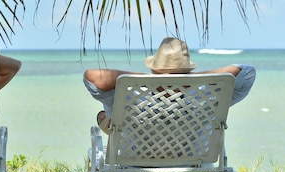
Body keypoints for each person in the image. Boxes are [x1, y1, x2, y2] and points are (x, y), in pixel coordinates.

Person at [83, 37, 256, 134]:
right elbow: (246, 72)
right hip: (194, 156)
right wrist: (190, 80)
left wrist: (146, 79)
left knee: (107, 114)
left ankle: (106, 119)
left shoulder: (133, 91)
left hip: (134, 153)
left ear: (154, 68)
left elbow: (91, 77)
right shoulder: (204, 94)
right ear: (187, 70)